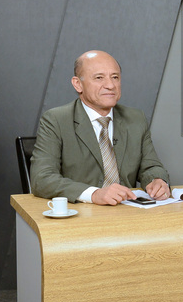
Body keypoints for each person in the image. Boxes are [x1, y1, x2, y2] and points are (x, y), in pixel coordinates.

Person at [30, 50, 170, 205]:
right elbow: (42, 178)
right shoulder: (56, 120)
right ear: (78, 84)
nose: (110, 85)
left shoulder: (136, 119)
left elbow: (151, 166)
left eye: (115, 77)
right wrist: (94, 194)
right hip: (81, 212)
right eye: (99, 78)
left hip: (128, 210)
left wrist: (157, 180)